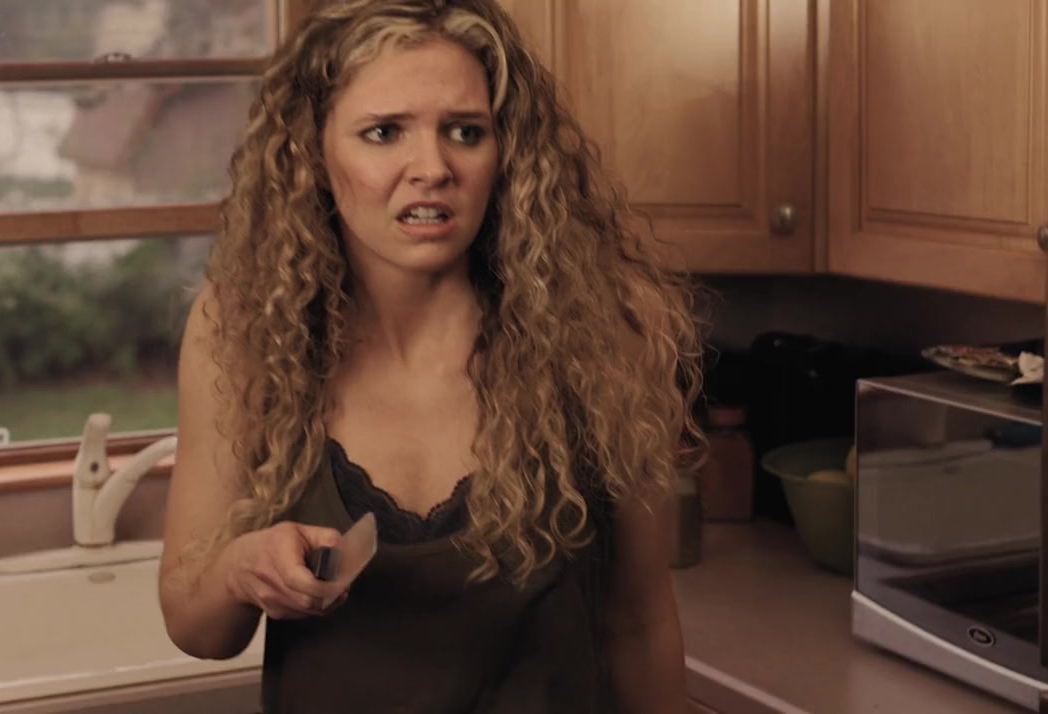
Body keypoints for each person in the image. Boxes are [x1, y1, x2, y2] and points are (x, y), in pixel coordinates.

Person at [158, 1, 706, 711]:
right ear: (313, 152)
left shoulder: (607, 330)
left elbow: (640, 623)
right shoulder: (241, 334)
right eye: (384, 132)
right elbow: (195, 627)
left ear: (506, 151)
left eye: (465, 132)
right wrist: (242, 569)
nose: (433, 168)